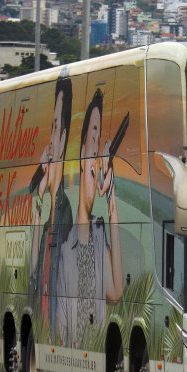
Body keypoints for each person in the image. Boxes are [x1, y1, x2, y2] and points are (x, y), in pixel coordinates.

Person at [57, 89, 124, 347]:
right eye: (93, 143)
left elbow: (115, 292)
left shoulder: (98, 236)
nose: (97, 158)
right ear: (83, 152)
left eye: (100, 149)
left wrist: (111, 200)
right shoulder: (64, 246)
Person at [30, 72, 73, 338]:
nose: (50, 140)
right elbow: (34, 271)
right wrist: (39, 205)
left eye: (56, 128)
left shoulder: (66, 211)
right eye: (51, 127)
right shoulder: (46, 207)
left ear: (64, 137)